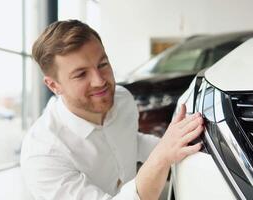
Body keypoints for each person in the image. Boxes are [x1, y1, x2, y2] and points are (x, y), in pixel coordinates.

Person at [20, 19, 204, 200]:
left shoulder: (122, 99)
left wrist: (180, 142)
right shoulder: (44, 154)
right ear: (54, 86)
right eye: (81, 74)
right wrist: (162, 156)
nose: (100, 81)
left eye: (102, 65)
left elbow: (131, 140)